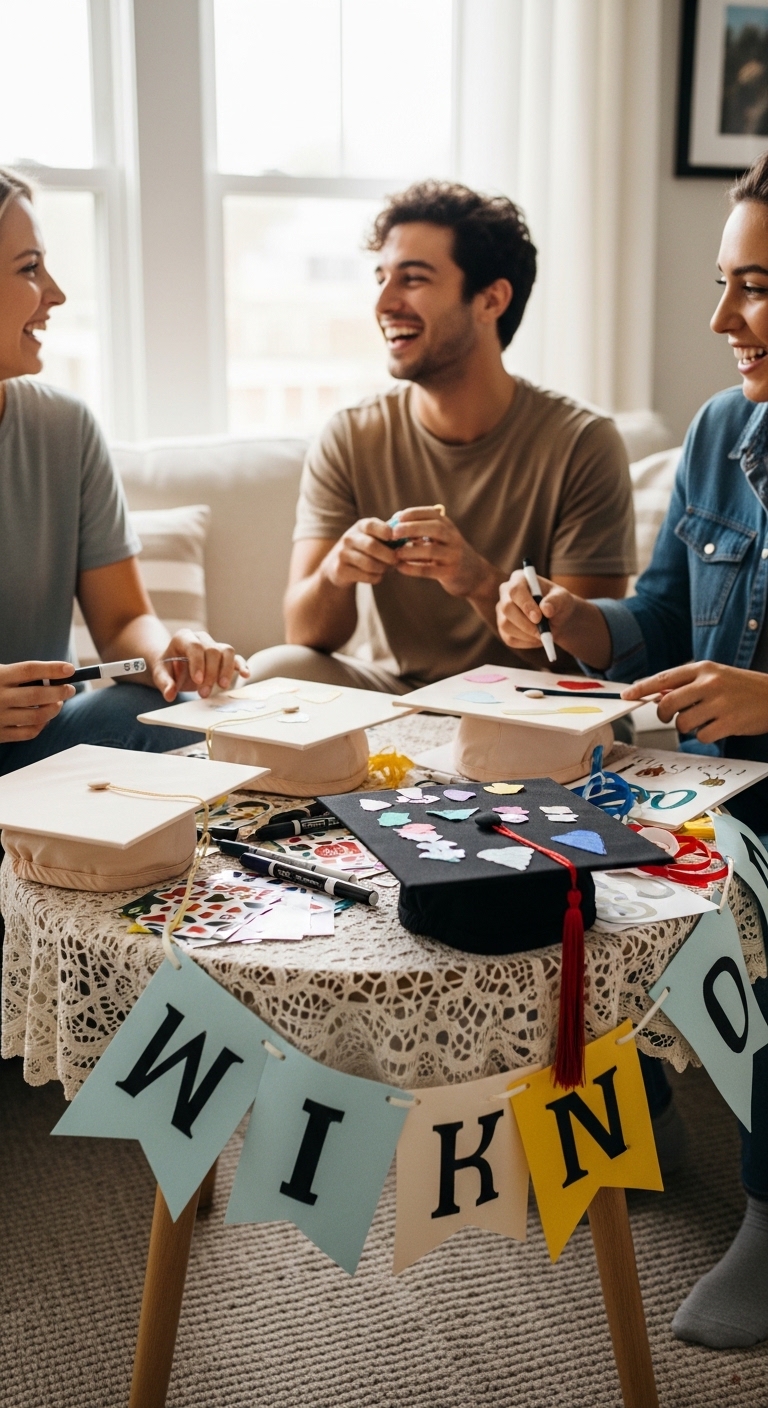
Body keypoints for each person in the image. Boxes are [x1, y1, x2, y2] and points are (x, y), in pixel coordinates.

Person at [496, 150, 768, 1351]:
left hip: (760, 797)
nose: (720, 320)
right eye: (723, 282)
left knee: (744, 860)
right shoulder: (720, 431)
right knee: (544, 825)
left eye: (754, 287)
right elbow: (653, 623)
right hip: (708, 771)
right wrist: (571, 619)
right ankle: (633, 1102)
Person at [246, 181, 636, 692]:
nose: (384, 302)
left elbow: (584, 662)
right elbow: (304, 633)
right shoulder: (350, 436)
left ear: (491, 299)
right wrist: (337, 572)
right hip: (397, 695)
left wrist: (478, 581)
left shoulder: (583, 443)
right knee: (276, 669)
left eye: (412, 279)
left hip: (532, 702)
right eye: (382, 277)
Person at [0, 168, 247, 776]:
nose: (54, 293)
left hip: (42, 748)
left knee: (156, 712)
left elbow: (121, 621)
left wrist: (166, 652)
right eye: (29, 268)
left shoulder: (63, 427)